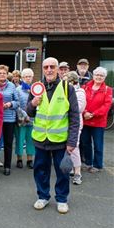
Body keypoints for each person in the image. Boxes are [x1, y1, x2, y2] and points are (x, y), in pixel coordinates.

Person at [27, 57, 79, 214]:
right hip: (40, 139)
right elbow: (29, 112)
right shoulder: (37, 87)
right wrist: (33, 104)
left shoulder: (66, 88)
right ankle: (43, 196)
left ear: (58, 69)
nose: (49, 70)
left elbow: (75, 117)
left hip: (60, 140)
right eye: (46, 67)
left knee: (62, 171)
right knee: (40, 170)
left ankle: (62, 199)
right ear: (42, 69)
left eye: (52, 67)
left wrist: (72, 142)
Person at [80, 67, 112, 173]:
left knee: (98, 144)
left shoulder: (108, 90)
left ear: (104, 77)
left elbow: (106, 106)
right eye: (97, 74)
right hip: (85, 120)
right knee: (85, 143)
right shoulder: (85, 87)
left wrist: (93, 114)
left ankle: (98, 165)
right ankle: (88, 163)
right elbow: (81, 101)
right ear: (93, 75)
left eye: (101, 75)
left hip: (98, 123)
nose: (99, 77)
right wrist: (84, 112)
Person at [0, 64, 19, 176]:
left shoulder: (12, 86)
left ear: (7, 74)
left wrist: (10, 104)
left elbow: (17, 102)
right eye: (0, 73)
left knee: (8, 144)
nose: (2, 75)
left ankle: (7, 166)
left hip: (9, 119)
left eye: (4, 73)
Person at [64, 71, 86, 184]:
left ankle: (78, 173)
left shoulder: (80, 92)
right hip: (64, 123)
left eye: (66, 80)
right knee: (66, 147)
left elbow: (79, 108)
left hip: (75, 124)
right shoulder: (64, 91)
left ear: (72, 81)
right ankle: (71, 169)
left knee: (74, 147)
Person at [14, 68, 35, 169]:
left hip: (32, 119)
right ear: (22, 78)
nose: (28, 78)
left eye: (29, 76)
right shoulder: (17, 90)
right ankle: (19, 159)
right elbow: (17, 105)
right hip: (21, 119)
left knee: (30, 140)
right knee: (20, 139)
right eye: (25, 76)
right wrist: (24, 115)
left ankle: (30, 160)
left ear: (32, 77)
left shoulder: (35, 89)